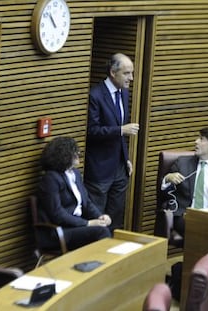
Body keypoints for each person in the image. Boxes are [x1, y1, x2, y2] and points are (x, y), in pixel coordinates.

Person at [84, 53, 139, 232]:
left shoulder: (123, 93)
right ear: (113, 73)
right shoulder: (95, 95)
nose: (131, 78)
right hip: (100, 169)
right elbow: (91, 131)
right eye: (127, 73)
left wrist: (126, 158)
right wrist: (121, 130)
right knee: (98, 217)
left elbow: (119, 130)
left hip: (120, 167)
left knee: (116, 217)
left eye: (131, 73)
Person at [37, 137, 112, 251]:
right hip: (59, 230)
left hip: (75, 225)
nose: (78, 154)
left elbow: (86, 202)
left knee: (104, 227)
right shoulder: (51, 178)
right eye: (74, 152)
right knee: (101, 232)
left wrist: (99, 216)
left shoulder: (75, 173)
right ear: (64, 156)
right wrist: (87, 223)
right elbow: (57, 214)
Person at [161, 127, 208, 238]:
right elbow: (164, 194)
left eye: (201, 139)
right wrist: (167, 178)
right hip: (185, 216)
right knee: (203, 229)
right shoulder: (182, 163)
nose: (196, 141)